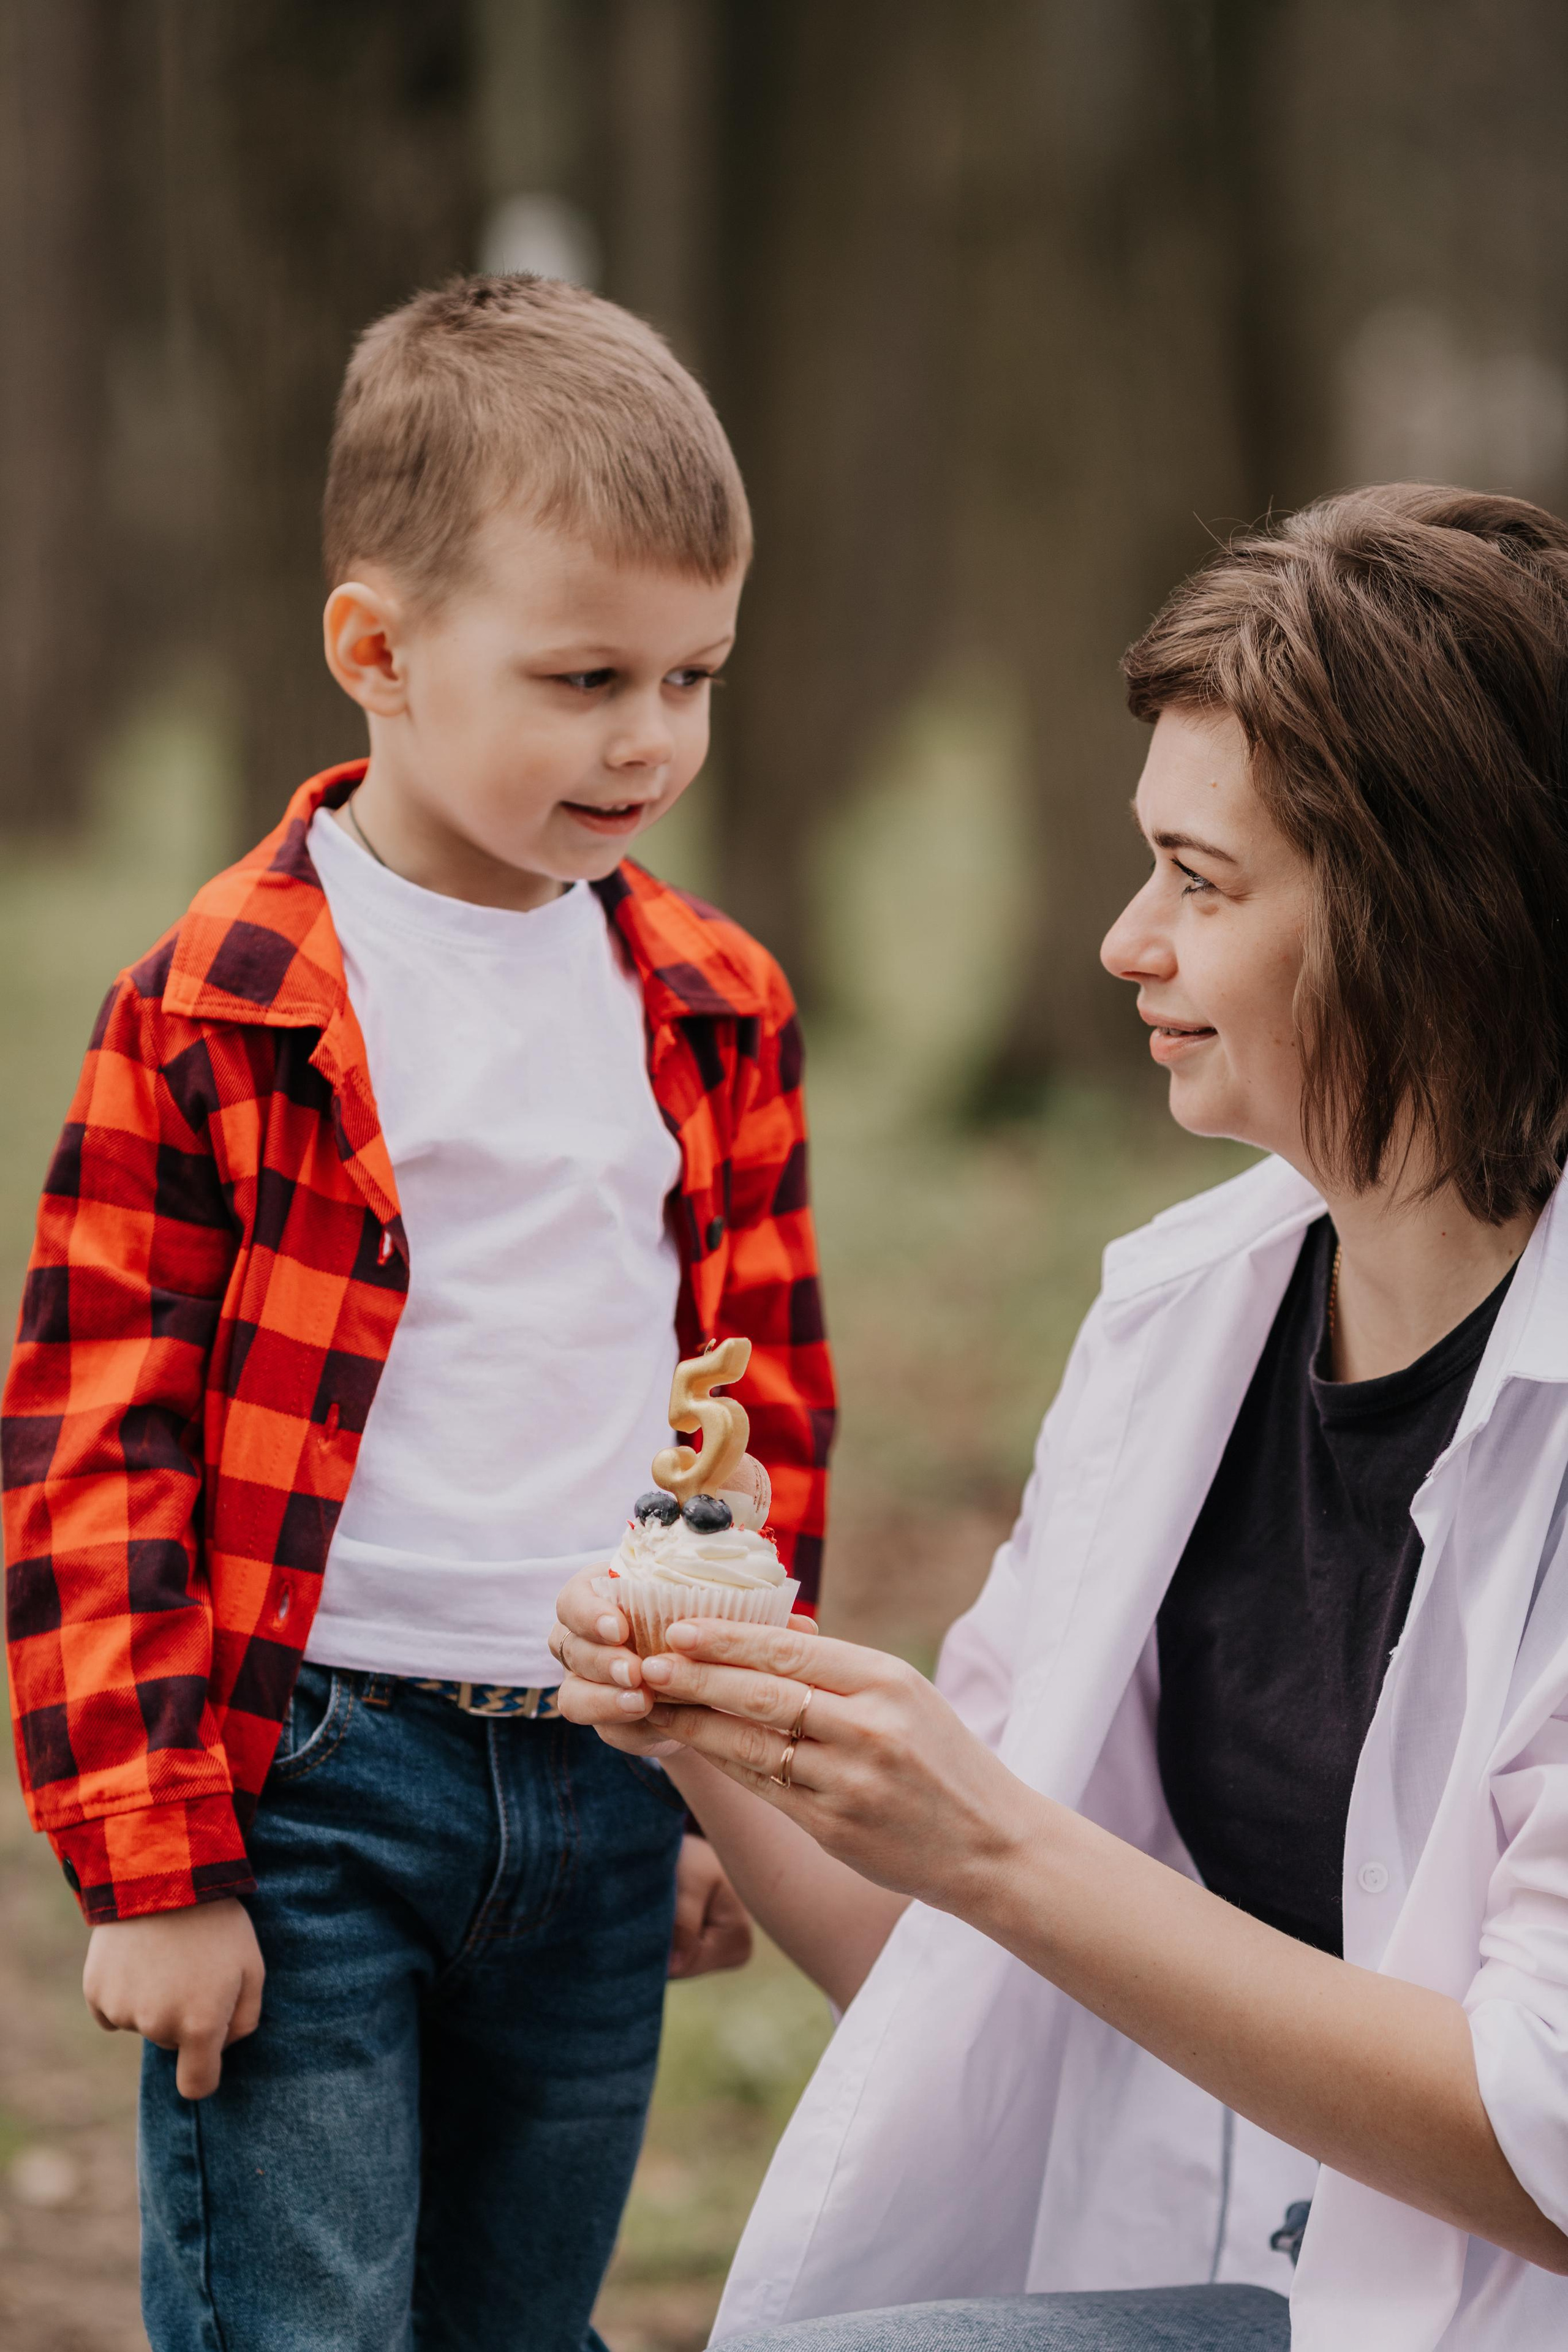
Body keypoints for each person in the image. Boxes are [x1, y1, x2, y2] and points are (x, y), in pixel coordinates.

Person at [554, 486, 1568, 2351]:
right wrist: (708, 1707)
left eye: (1202, 883)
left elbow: (1549, 2145)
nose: (1125, 944)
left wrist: (991, 1845)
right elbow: (956, 1957)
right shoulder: (1185, 1319)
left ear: (1433, 922)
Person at [1, 273, 836, 2352]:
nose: (650, 739)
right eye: (582, 678)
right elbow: (92, 1439)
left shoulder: (715, 1007)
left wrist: (739, 1764)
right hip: (313, 1791)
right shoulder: (220, 1006)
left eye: (693, 675)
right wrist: (159, 1862)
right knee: (309, 2318)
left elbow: (762, 1408)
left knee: (518, 2320)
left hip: (607, 1773)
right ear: (376, 648)